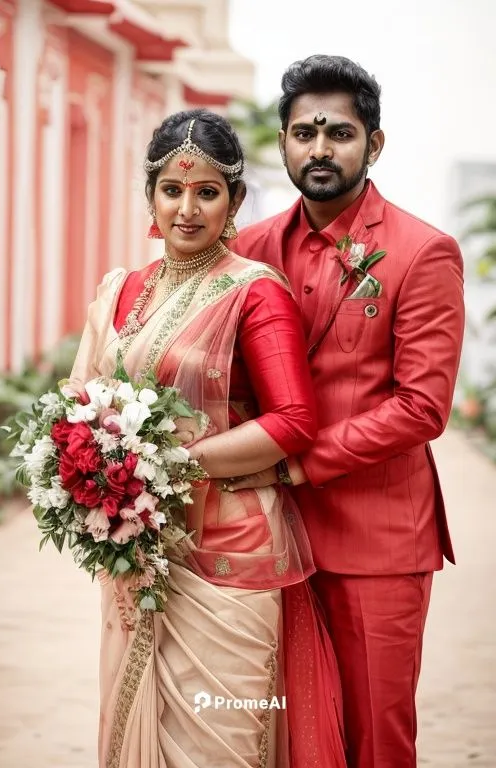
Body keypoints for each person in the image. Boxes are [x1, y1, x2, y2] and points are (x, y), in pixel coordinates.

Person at [69, 108, 346, 768]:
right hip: (141, 552)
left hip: (230, 555)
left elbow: (293, 422)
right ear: (150, 196)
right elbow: (81, 402)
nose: (187, 209)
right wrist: (89, 472)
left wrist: (164, 464)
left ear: (235, 200)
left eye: (207, 192)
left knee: (220, 746)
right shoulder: (120, 291)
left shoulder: (254, 293)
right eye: (172, 190)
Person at [232, 55, 465, 768]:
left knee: (374, 737)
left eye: (339, 132)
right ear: (283, 142)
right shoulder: (249, 249)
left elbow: (422, 407)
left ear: (374, 143)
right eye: (304, 132)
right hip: (269, 537)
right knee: (282, 730)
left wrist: (301, 465)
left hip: (377, 542)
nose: (320, 148)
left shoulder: (422, 252)